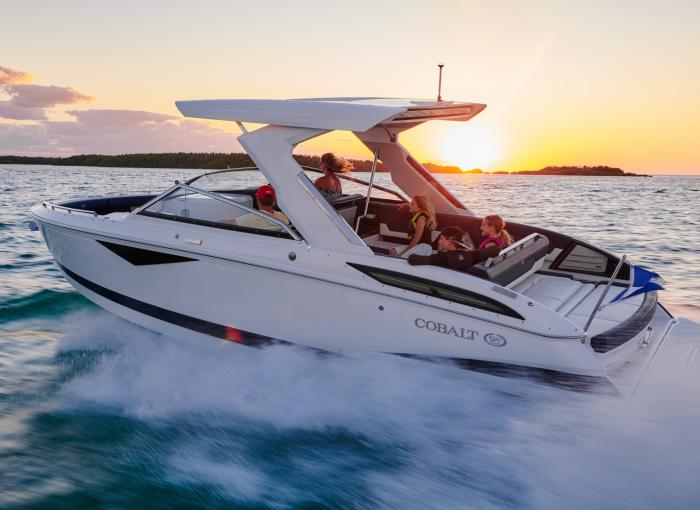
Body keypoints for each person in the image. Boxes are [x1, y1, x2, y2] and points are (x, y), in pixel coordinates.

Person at [407, 226, 500, 271]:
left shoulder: (443, 258)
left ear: (450, 242)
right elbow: (495, 249)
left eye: (442, 239)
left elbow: (412, 259)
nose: (439, 242)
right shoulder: (473, 255)